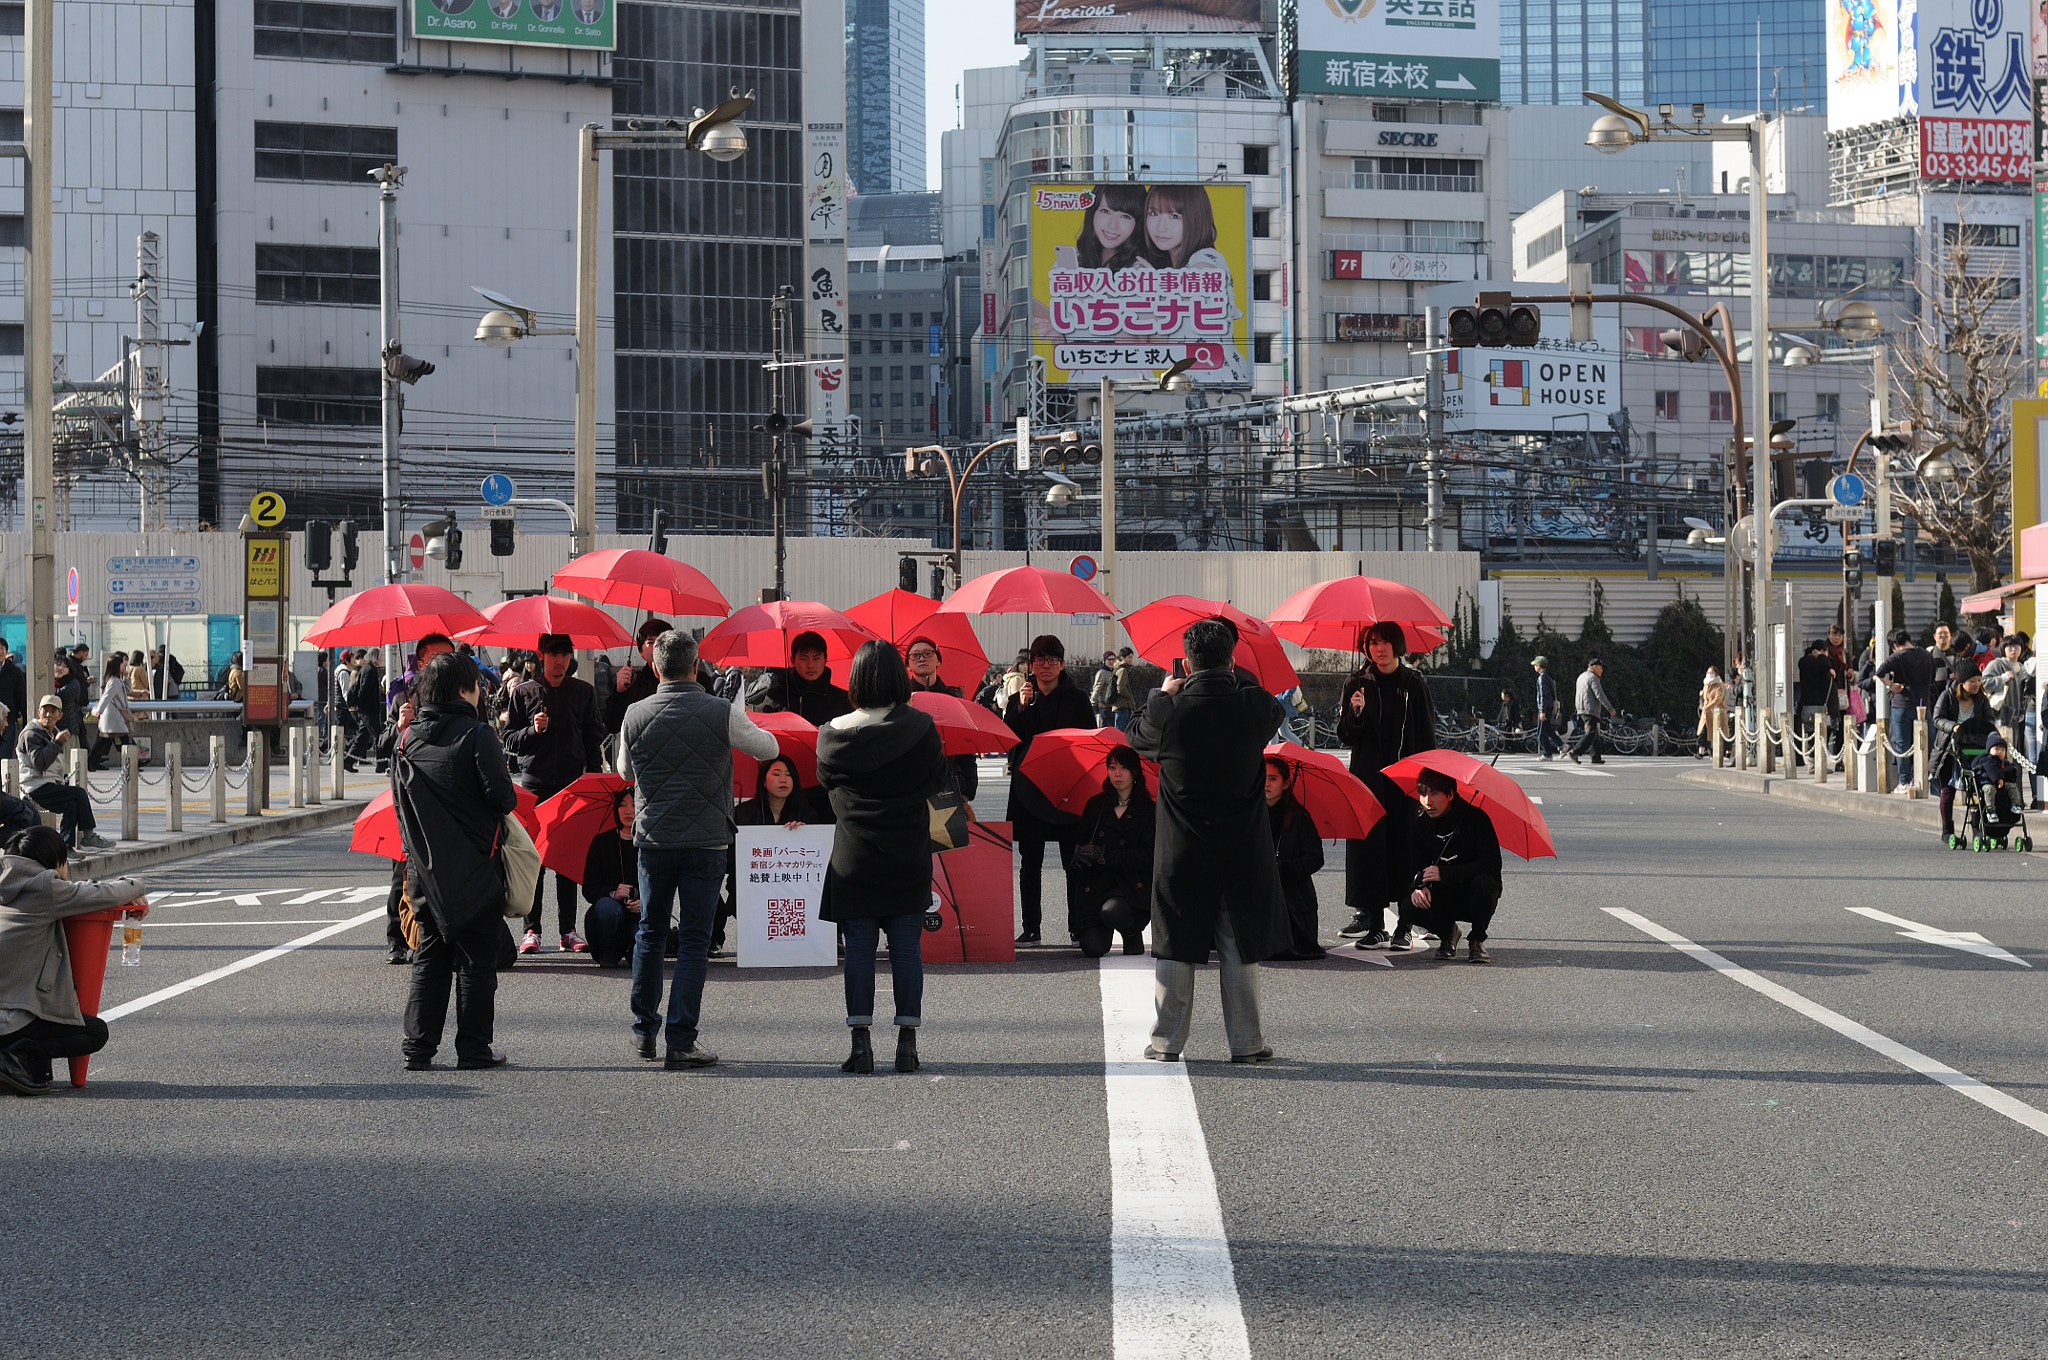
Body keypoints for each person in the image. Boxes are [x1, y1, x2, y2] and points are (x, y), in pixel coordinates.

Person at [1127, 618, 1286, 1063]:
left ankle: (1166, 1042)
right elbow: (1270, 707)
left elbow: (1135, 735)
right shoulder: (1253, 707)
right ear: (1232, 660)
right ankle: (1247, 1043)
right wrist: (1235, 675)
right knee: (1238, 944)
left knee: (1176, 943)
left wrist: (1164, 692)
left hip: (1183, 848)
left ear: (1187, 662)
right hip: (1240, 848)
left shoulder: (1171, 711)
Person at [625, 630, 778, 1070]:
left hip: (653, 839)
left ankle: (643, 1032)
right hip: (707, 839)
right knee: (693, 940)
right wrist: (738, 710)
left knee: (650, 934)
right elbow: (769, 747)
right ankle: (681, 1039)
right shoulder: (719, 712)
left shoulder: (634, 713)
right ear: (697, 667)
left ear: (655, 667)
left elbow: (622, 768)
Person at [816, 640, 950, 1075]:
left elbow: (826, 787)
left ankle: (860, 1047)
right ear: (898, 676)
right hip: (908, 853)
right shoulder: (921, 727)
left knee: (858, 950)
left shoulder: (831, 734)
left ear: (854, 680)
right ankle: (907, 1046)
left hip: (853, 856)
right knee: (906, 949)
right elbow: (940, 784)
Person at [392, 651, 519, 1071]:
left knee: (429, 957)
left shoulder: (406, 739)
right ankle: (474, 1049)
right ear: (464, 689)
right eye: (477, 685)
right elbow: (502, 797)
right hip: (473, 867)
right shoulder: (477, 735)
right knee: (476, 961)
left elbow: (400, 808)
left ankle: (418, 1048)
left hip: (423, 870)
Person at [0, 825, 148, 1095]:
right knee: (93, 1032)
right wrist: (134, 885)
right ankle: (10, 1056)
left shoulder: (6, 885)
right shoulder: (45, 887)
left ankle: (18, 1062)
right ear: (55, 862)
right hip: (9, 1019)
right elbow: (101, 893)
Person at [502, 632, 605, 955]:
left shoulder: (583, 692)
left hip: (573, 786)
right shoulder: (523, 693)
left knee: (566, 861)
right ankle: (531, 929)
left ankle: (568, 930)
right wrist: (534, 730)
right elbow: (509, 741)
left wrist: (594, 781)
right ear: (541, 654)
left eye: (564, 652)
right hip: (535, 786)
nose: (559, 659)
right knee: (534, 861)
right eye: (553, 652)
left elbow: (593, 738)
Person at [1335, 622, 1436, 948]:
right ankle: (1376, 925)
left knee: (1406, 849)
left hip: (1406, 779)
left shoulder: (1413, 683)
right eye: (1373, 642)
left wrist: (1428, 781)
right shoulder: (1356, 682)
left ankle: (1404, 925)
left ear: (1397, 645)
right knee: (1370, 851)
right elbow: (1345, 734)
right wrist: (1355, 712)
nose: (1379, 648)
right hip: (1368, 778)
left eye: (1385, 642)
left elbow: (1426, 733)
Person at [1002, 634, 1094, 944]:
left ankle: (1077, 925)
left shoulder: (1078, 698)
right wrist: (1022, 707)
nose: (1045, 666)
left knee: (1073, 863)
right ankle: (1031, 927)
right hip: (1029, 789)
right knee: (1030, 864)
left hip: (1067, 787)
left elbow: (1089, 742)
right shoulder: (1021, 698)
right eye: (1039, 660)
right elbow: (1009, 741)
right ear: (1031, 664)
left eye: (1052, 660)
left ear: (1062, 664)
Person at [373, 634, 456, 965]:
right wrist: (400, 727)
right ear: (421, 664)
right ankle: (396, 937)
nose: (445, 665)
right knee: (403, 870)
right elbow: (381, 746)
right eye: (438, 658)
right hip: (408, 797)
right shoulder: (403, 701)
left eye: (450, 658)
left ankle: (439, 934)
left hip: (445, 796)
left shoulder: (459, 700)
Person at [711, 753, 816, 958]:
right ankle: (715, 936)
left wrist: (805, 834)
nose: (783, 779)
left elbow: (817, 858)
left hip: (794, 888)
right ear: (764, 781)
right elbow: (729, 858)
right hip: (751, 886)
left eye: (788, 774)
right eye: (776, 774)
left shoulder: (806, 814)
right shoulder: (742, 813)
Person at [1066, 744, 1154, 958]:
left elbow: (1147, 856)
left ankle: (1132, 933)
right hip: (1096, 884)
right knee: (1093, 947)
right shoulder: (1096, 805)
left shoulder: (1147, 810)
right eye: (1112, 767)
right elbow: (1079, 839)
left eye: (1123, 767)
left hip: (1129, 886)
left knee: (1112, 910)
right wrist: (1079, 854)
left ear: (1134, 772)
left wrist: (1105, 855)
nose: (1117, 773)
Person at [1408, 767, 1503, 964]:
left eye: (1434, 793)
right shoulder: (1420, 824)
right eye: (1423, 794)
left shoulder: (1476, 819)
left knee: (1486, 884)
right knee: (1409, 905)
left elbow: (1491, 864)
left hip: (1473, 892)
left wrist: (1446, 873)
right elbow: (1413, 863)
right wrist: (1419, 886)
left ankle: (1477, 940)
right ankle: (1447, 934)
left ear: (1450, 794)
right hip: (1441, 893)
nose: (1428, 801)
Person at [22, 697, 108, 851]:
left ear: (59, 715)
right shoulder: (31, 734)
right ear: (38, 712)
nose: (48, 715)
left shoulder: (52, 732)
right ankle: (88, 836)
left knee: (72, 804)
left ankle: (65, 848)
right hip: (34, 786)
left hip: (48, 784)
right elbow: (40, 763)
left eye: (52, 711)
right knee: (79, 793)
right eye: (45, 711)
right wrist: (57, 743)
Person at [1265, 757, 1326, 961]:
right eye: (1262, 778)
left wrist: (1282, 869)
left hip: (1294, 901)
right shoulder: (1248, 816)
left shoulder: (1299, 817)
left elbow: (1315, 858)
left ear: (1285, 783)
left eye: (1272, 779)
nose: (1266, 784)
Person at [904, 635, 978, 801]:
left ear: (938, 661)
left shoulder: (954, 699)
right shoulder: (901, 700)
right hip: (911, 787)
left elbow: (966, 746)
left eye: (927, 653)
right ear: (908, 665)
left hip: (950, 784)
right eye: (915, 655)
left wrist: (967, 790)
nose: (921, 658)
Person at [1931, 659, 1997, 843]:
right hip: (1949, 750)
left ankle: (1977, 828)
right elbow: (1937, 718)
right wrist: (1954, 727)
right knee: (1948, 791)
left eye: (1979, 680)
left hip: (1974, 750)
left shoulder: (1981, 700)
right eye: (1972, 680)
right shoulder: (1948, 696)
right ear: (1962, 682)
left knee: (1975, 790)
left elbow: (1989, 722)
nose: (1976, 684)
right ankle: (1947, 830)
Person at [580, 787, 640, 969]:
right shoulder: (602, 842)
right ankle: (608, 950)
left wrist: (644, 901)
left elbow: (663, 885)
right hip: (610, 914)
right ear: (616, 809)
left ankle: (634, 949)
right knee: (606, 906)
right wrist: (613, 893)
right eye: (622, 805)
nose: (628, 811)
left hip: (640, 915)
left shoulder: (650, 842)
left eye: (634, 804)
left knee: (643, 958)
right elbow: (589, 888)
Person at [747, 631, 853, 727]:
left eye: (816, 659)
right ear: (792, 660)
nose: (810, 665)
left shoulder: (842, 699)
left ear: (825, 659)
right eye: (804, 659)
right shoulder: (775, 697)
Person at [1875, 628, 1936, 789]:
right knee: (1926, 743)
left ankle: (1904, 781)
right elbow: (1933, 679)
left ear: (1894, 644)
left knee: (1902, 745)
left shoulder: (1897, 656)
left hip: (1901, 705)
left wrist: (1890, 685)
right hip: (1923, 704)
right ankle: (1924, 778)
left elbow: (1880, 672)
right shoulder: (1926, 655)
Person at [605, 618, 676, 737]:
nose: (658, 647)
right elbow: (612, 725)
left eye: (663, 641)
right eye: (651, 642)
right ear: (641, 651)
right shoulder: (632, 682)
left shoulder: (693, 678)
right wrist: (619, 692)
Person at [1795, 640, 1839, 765]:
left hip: (1807, 706)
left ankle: (1813, 764)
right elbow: (1826, 664)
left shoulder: (1803, 662)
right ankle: (1816, 765)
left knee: (1812, 737)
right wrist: (1820, 656)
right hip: (1818, 706)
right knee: (1820, 737)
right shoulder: (1815, 663)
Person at [87, 655, 132, 772]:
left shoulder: (116, 680)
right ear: (118, 666)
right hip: (113, 716)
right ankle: (133, 761)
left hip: (112, 717)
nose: (125, 666)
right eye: (123, 664)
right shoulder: (114, 681)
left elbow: (127, 690)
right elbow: (106, 697)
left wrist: (127, 678)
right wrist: (98, 710)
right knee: (123, 739)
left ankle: (93, 761)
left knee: (105, 741)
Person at [1567, 657, 1613, 766]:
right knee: (1591, 732)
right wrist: (1610, 708)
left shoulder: (1581, 676)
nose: (1602, 670)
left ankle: (1596, 757)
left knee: (1594, 733)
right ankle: (1575, 751)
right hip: (1589, 708)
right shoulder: (1593, 678)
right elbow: (1599, 694)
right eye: (1601, 668)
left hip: (1581, 708)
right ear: (1595, 667)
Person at [0, 638, 25, 760]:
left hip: (7, 721)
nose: (0, 652)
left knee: (5, 756)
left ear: (6, 651)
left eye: (2, 649)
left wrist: (26, 720)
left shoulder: (14, 672)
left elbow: (21, 696)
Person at [1696, 666, 1728, 761]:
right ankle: (1701, 752)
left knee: (1719, 733)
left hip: (1717, 713)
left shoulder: (1719, 685)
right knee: (1703, 732)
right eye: (1708, 672)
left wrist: (1708, 706)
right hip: (1706, 714)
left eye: (1711, 672)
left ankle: (1724, 751)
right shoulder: (1706, 684)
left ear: (1716, 674)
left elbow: (1718, 699)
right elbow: (1705, 698)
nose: (1709, 674)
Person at [1531, 656, 1559, 760]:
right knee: (1547, 730)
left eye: (1535, 665)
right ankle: (1561, 746)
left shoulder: (1542, 678)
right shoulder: (1549, 677)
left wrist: (1542, 711)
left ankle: (1547, 753)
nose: (1534, 667)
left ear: (1538, 666)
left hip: (1544, 708)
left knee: (1541, 733)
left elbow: (1543, 695)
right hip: (1549, 707)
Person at [1110, 647, 1140, 731]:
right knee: (1121, 731)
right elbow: (1121, 687)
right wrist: (1129, 696)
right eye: (1129, 657)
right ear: (1122, 658)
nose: (1131, 660)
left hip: (1119, 704)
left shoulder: (1116, 668)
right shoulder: (1122, 670)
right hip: (1123, 705)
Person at [1089, 651, 1118, 729]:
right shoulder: (1102, 672)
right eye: (1109, 659)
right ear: (1105, 660)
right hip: (1105, 705)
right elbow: (1097, 688)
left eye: (1113, 659)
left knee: (1107, 728)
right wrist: (1092, 703)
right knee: (1108, 729)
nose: (1111, 661)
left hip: (1112, 705)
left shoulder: (1113, 671)